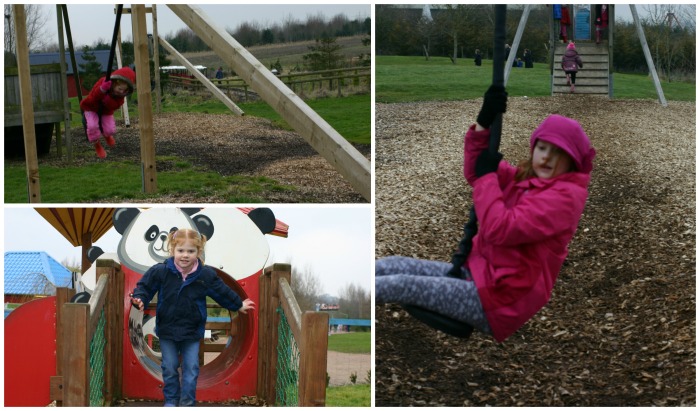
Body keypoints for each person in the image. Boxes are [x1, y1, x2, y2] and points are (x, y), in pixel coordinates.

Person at [375, 85, 595, 343]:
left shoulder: (564, 199)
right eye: (542, 148)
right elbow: (475, 171)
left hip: (500, 299)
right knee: (390, 265)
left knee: (401, 285)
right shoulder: (526, 179)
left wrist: (488, 177)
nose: (547, 158)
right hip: (479, 275)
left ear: (573, 161)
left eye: (558, 152)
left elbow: (499, 228)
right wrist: (484, 120)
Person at [130, 228, 255, 407]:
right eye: (181, 251)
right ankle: (172, 400)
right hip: (167, 329)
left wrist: (238, 304)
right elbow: (145, 286)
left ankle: (187, 403)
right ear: (172, 250)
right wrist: (140, 299)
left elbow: (221, 291)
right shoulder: (162, 271)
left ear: (199, 252)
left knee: (191, 369)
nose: (185, 255)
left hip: (192, 331)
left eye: (191, 251)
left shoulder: (204, 275)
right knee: (170, 367)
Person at [79, 66, 136, 158]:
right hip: (91, 107)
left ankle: (107, 136)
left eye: (124, 90)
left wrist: (107, 99)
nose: (121, 92)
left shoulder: (121, 95)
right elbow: (93, 96)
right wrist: (102, 89)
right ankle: (97, 144)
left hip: (106, 110)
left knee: (110, 130)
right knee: (92, 126)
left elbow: (116, 106)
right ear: (114, 83)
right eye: (119, 89)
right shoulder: (103, 81)